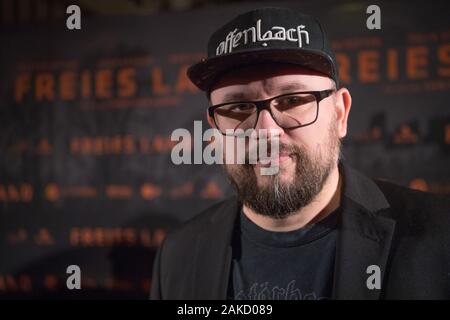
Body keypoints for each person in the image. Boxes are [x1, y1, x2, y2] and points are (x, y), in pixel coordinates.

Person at [150, 7, 450, 300]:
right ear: (214, 128)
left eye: (292, 100)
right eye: (239, 107)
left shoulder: (439, 237)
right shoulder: (178, 254)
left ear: (340, 113)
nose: (266, 131)